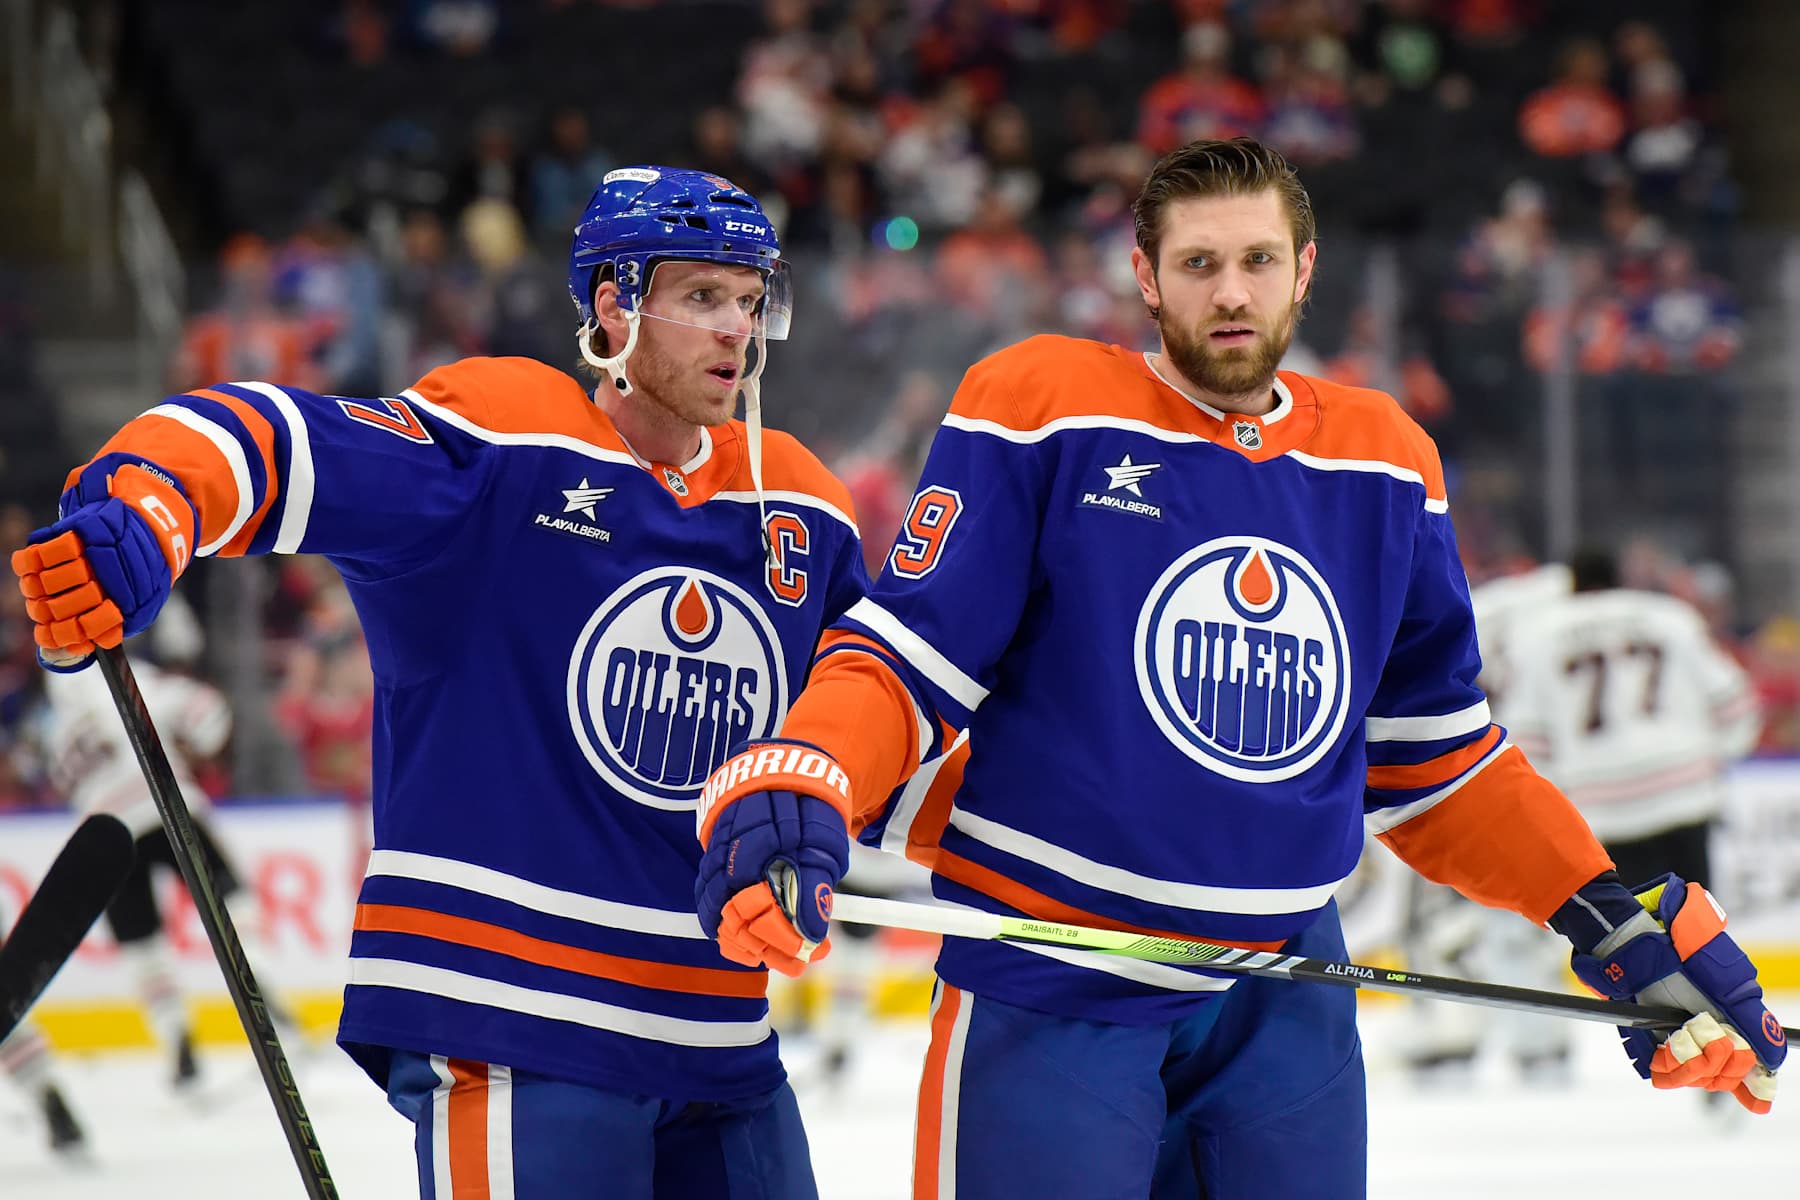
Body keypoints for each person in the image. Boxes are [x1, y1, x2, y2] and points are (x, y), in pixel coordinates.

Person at [689, 139, 1785, 1199]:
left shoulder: (1383, 458)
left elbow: (1439, 763)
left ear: (1303, 272)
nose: (1231, 293)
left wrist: (1608, 915)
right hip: (1057, 982)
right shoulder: (1047, 405)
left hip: (1284, 1005)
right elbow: (905, 660)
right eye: (1199, 264)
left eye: (1258, 261)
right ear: (1146, 279)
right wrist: (810, 770)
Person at [11, 167, 866, 1198]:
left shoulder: (801, 510)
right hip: (514, 1020)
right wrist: (151, 502)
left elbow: (883, 710)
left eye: (749, 298)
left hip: (724, 1040)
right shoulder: (506, 440)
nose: (736, 329)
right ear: (614, 303)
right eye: (700, 296)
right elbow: (274, 439)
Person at [37, 653, 254, 1090]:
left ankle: (176, 1039)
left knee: (142, 945)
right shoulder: (123, 679)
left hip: (106, 836)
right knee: (230, 902)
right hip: (166, 808)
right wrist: (202, 747)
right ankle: (264, 995)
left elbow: (60, 785)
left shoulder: (55, 732)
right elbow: (204, 712)